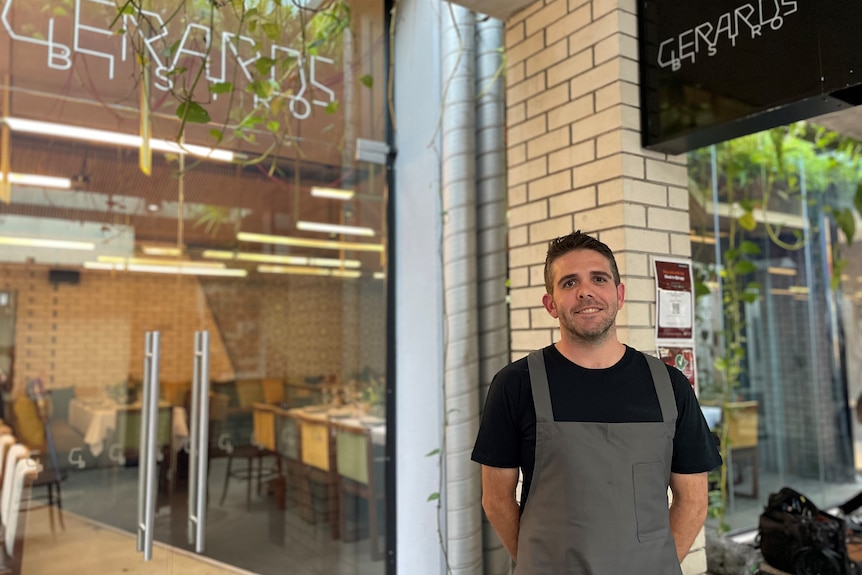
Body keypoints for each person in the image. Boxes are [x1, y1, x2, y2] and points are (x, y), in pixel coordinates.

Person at [472, 230, 722, 574]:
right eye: (569, 282)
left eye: (598, 278)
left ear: (619, 294)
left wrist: (656, 565)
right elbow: (496, 499)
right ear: (550, 304)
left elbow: (693, 500)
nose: (585, 291)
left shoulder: (670, 385)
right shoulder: (516, 385)